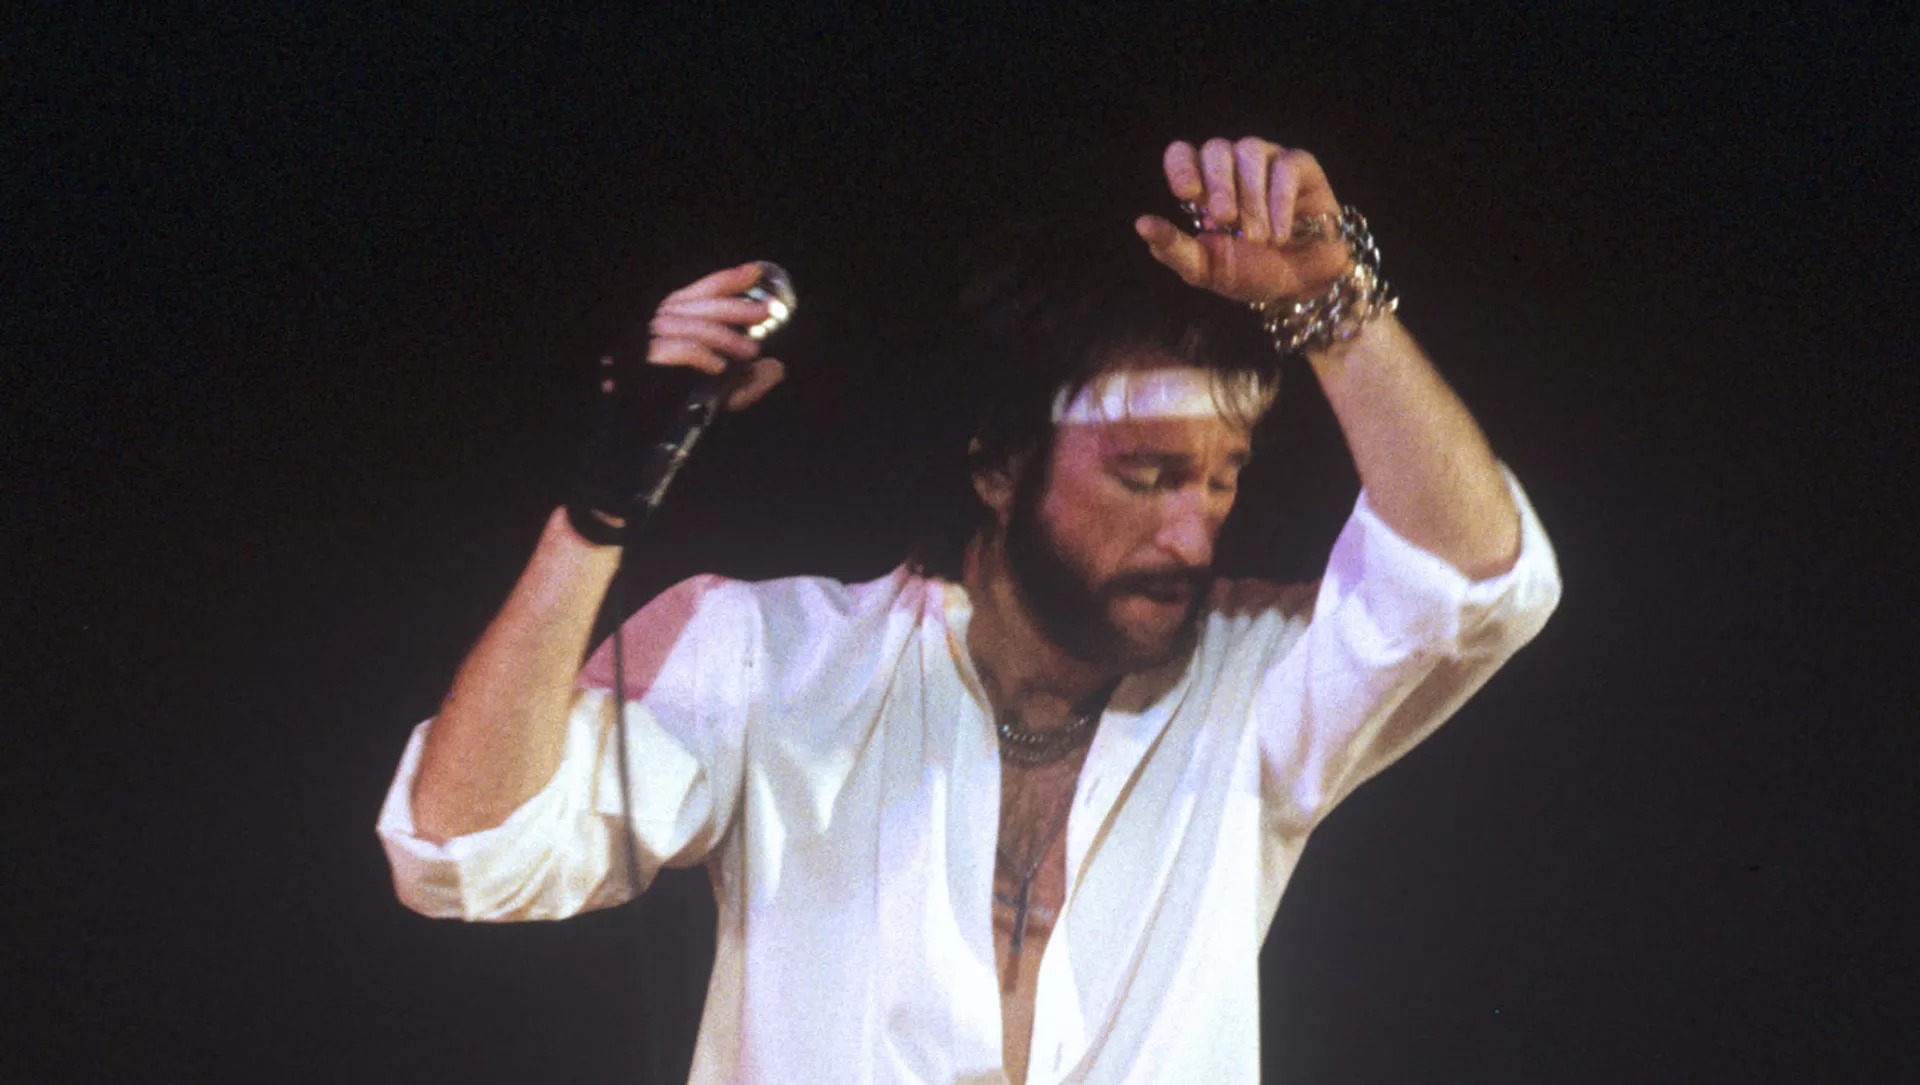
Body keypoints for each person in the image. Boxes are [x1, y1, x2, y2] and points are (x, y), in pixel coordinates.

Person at [377, 137, 1562, 1084]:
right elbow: (465, 847)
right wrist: (600, 507)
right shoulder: (774, 659)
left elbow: (1477, 583)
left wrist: (1336, 308)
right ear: (999, 464)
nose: (1192, 535)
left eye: (1220, 480)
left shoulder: (1252, 681)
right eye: (1146, 476)